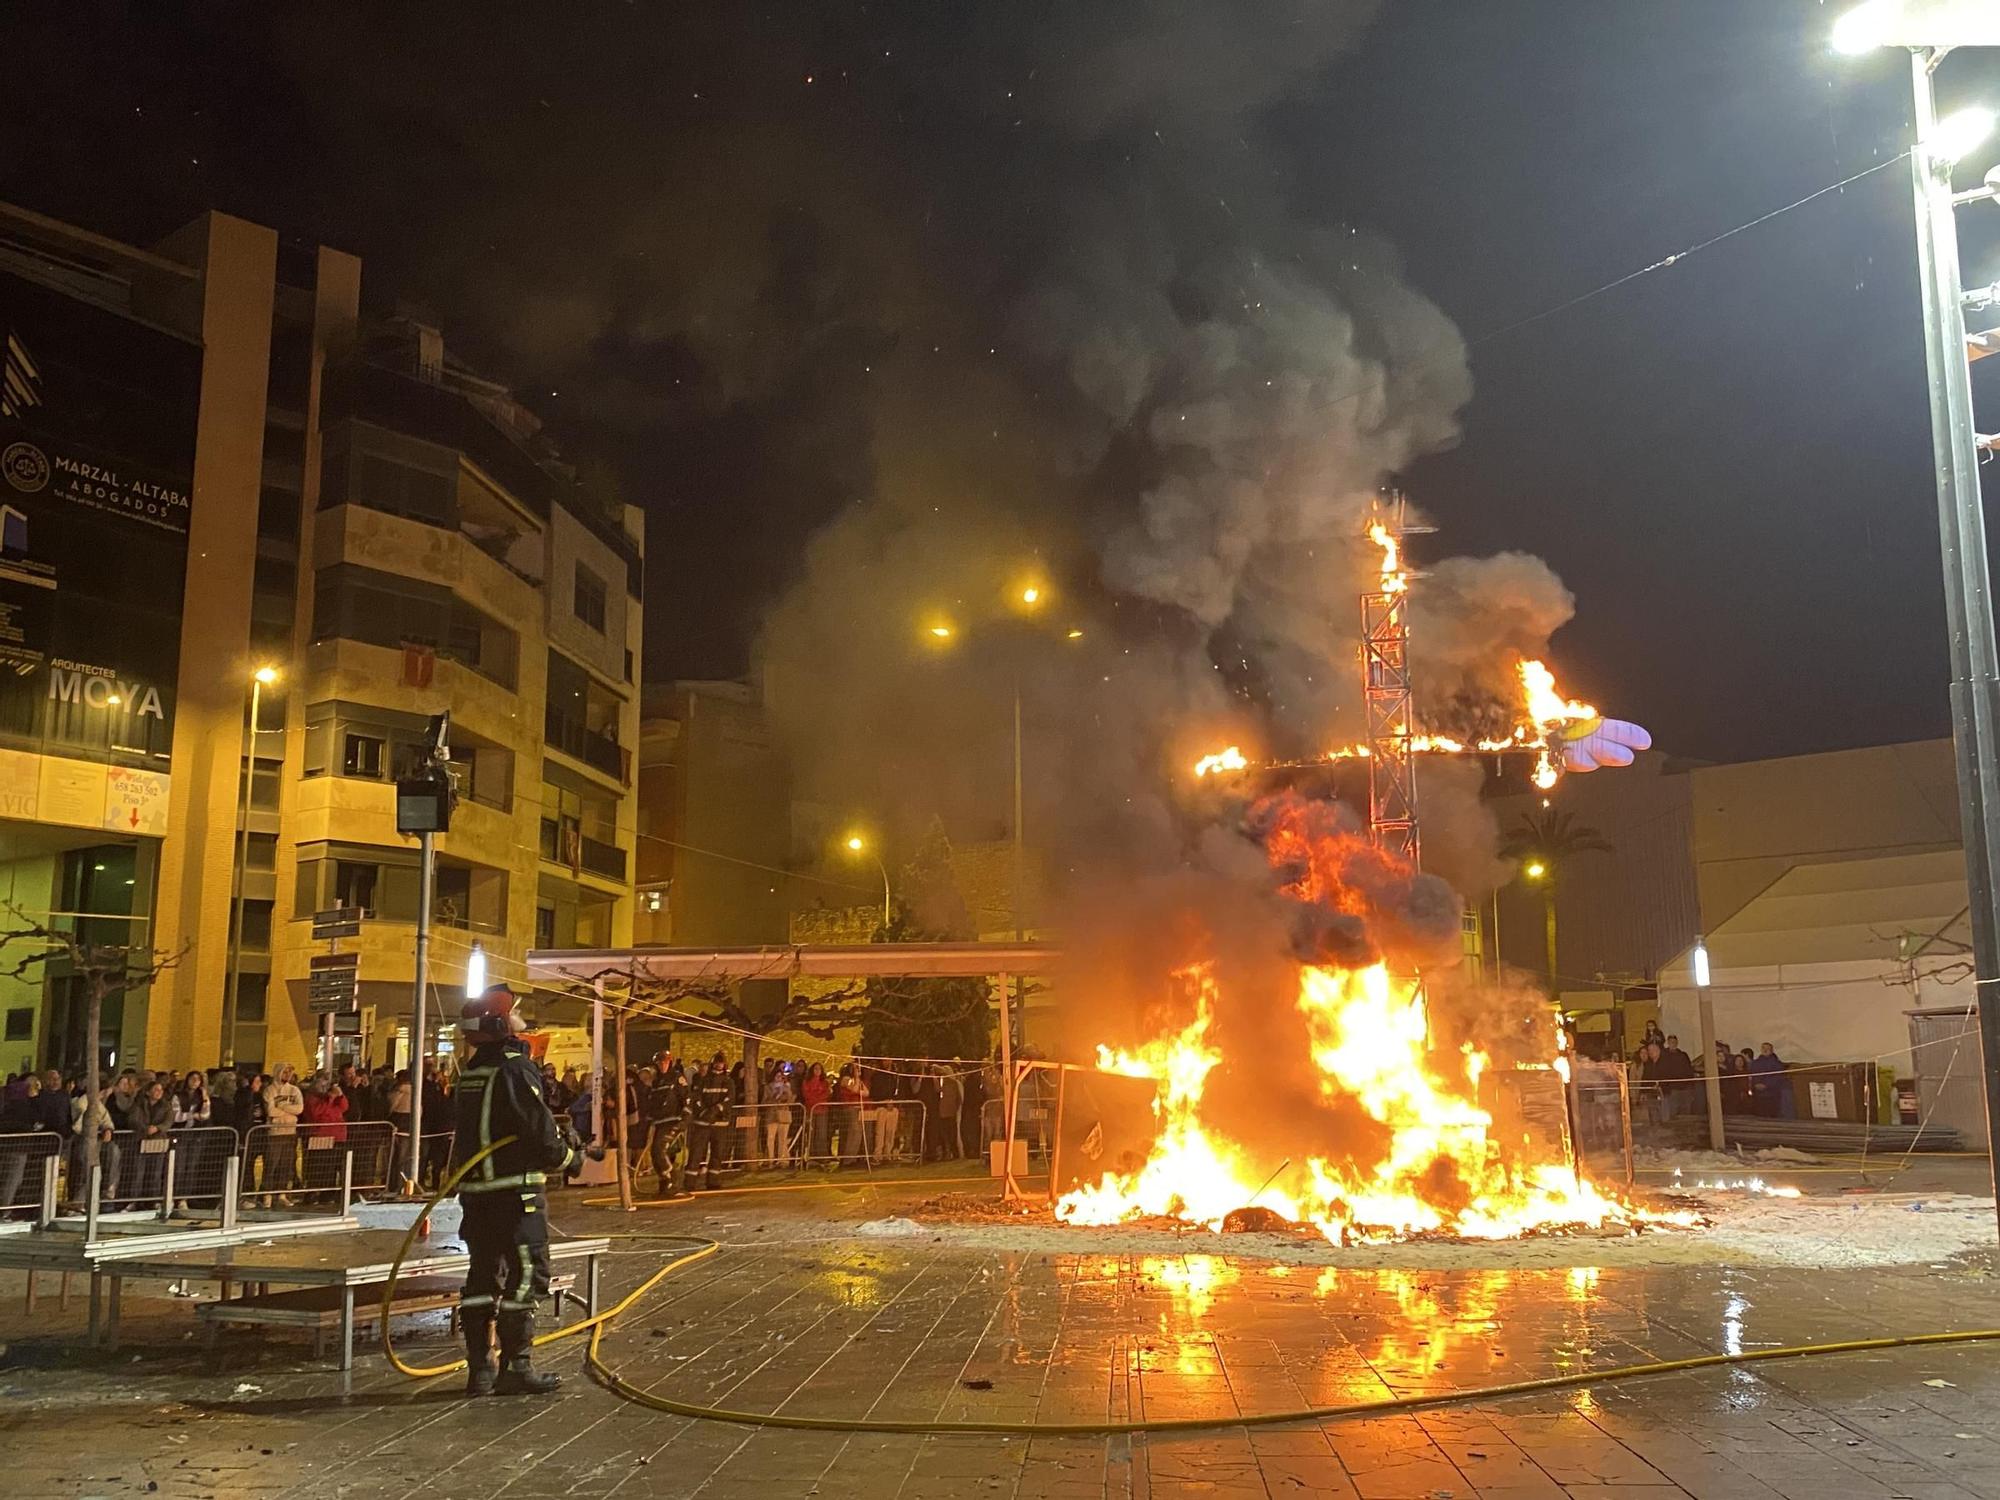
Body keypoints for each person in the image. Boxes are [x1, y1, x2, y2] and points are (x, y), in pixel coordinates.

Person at [449, 983, 578, 1397]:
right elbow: (538, 1131)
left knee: (482, 1276)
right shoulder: (514, 1068)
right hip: (516, 1196)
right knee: (526, 1276)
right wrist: (570, 1158)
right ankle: (516, 1366)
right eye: (512, 1015)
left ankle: (480, 1370)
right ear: (499, 1025)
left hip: (478, 1195)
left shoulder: (471, 1072)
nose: (520, 1022)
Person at [687, 1054, 732, 1190]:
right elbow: (696, 1098)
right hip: (702, 1123)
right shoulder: (703, 1081)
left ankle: (713, 1181)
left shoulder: (728, 1082)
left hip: (720, 1123)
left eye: (721, 1063)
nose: (719, 1065)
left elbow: (729, 1100)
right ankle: (690, 1182)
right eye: (717, 1063)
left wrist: (715, 1110)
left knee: (717, 1153)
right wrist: (704, 1113)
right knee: (696, 1152)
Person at [644, 1059, 688, 1198]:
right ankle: (664, 1182)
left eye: (665, 1063)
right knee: (654, 1153)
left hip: (673, 1120)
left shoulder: (676, 1078)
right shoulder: (656, 1081)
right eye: (660, 1063)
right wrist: (649, 1119)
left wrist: (684, 1119)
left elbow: (686, 1098)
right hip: (659, 1122)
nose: (662, 1065)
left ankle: (672, 1180)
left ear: (670, 1063)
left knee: (660, 1149)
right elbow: (652, 1103)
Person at [265, 1064, 304, 1204]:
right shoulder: (270, 1090)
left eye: (289, 1072)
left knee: (286, 1164)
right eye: (284, 1072)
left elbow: (299, 1109)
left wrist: (281, 1106)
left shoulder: (294, 1090)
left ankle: (281, 1193)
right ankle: (267, 1194)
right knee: (271, 1164)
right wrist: (289, 1110)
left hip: (290, 1131)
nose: (287, 1075)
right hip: (275, 1132)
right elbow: (271, 1111)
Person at [1749, 1042, 1794, 1119]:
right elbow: (1752, 1075)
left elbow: (1778, 1077)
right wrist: (1755, 1084)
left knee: (1772, 1115)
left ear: (1772, 1050)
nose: (1765, 1050)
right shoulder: (1755, 1063)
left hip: (1772, 1093)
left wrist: (1766, 1085)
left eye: (1767, 1048)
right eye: (1763, 1048)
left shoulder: (1777, 1063)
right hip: (1758, 1093)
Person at [801, 1062, 831, 1165]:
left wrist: (818, 1099)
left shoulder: (825, 1083)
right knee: (811, 1133)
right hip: (811, 1109)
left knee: (821, 1133)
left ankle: (822, 1155)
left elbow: (826, 1094)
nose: (817, 1071)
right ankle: (811, 1155)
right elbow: (807, 1095)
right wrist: (816, 1100)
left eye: (819, 1069)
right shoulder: (806, 1082)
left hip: (822, 1110)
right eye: (815, 1068)